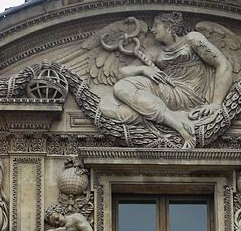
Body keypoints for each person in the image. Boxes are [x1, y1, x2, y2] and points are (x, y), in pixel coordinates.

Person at [99, 12, 232, 148]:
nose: (152, 29)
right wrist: (143, 69)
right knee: (107, 104)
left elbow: (223, 64)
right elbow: (122, 73)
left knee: (123, 91)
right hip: (167, 91)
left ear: (169, 26)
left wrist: (216, 103)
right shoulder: (155, 52)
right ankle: (172, 118)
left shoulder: (192, 39)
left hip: (187, 94)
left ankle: (177, 124)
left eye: (157, 25)